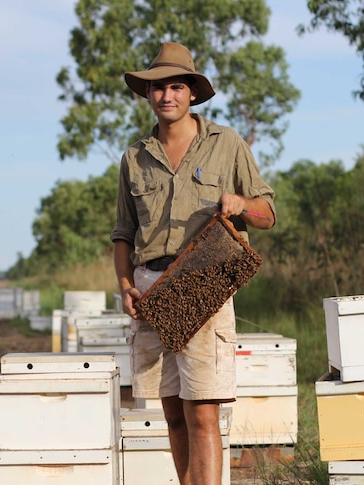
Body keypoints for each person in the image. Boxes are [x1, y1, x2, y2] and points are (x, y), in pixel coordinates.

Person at [111, 41, 276, 484]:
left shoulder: (227, 144)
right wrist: (126, 285)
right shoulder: (134, 157)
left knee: (202, 412)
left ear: (192, 93)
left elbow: (268, 215)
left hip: (205, 283)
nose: (167, 95)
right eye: (158, 87)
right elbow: (123, 234)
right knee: (172, 413)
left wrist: (241, 203)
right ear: (147, 95)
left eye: (176, 86)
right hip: (151, 287)